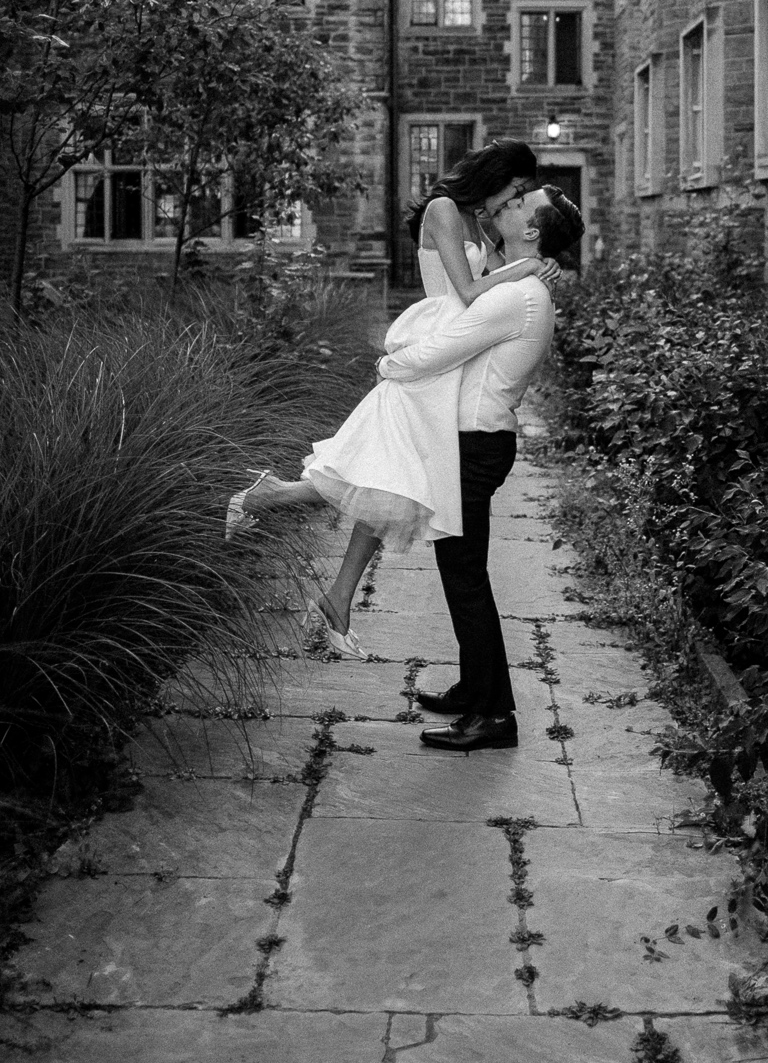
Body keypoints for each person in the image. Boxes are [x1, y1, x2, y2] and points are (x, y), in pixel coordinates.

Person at [226, 141, 555, 658]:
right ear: (497, 176)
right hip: (432, 352)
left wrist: (519, 269)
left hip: (455, 358)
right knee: (387, 480)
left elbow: (488, 296)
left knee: (390, 482)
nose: (513, 203)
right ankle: (273, 502)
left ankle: (332, 588)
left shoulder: (480, 223)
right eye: (515, 191)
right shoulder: (443, 211)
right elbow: (469, 293)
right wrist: (530, 266)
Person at [377, 183, 585, 752]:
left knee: (465, 580)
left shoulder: (514, 296)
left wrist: (389, 359)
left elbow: (436, 351)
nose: (507, 203)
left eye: (521, 203)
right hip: (479, 442)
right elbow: (470, 274)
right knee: (467, 576)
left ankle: (494, 718)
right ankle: (476, 689)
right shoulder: (521, 284)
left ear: (532, 231)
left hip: (474, 447)